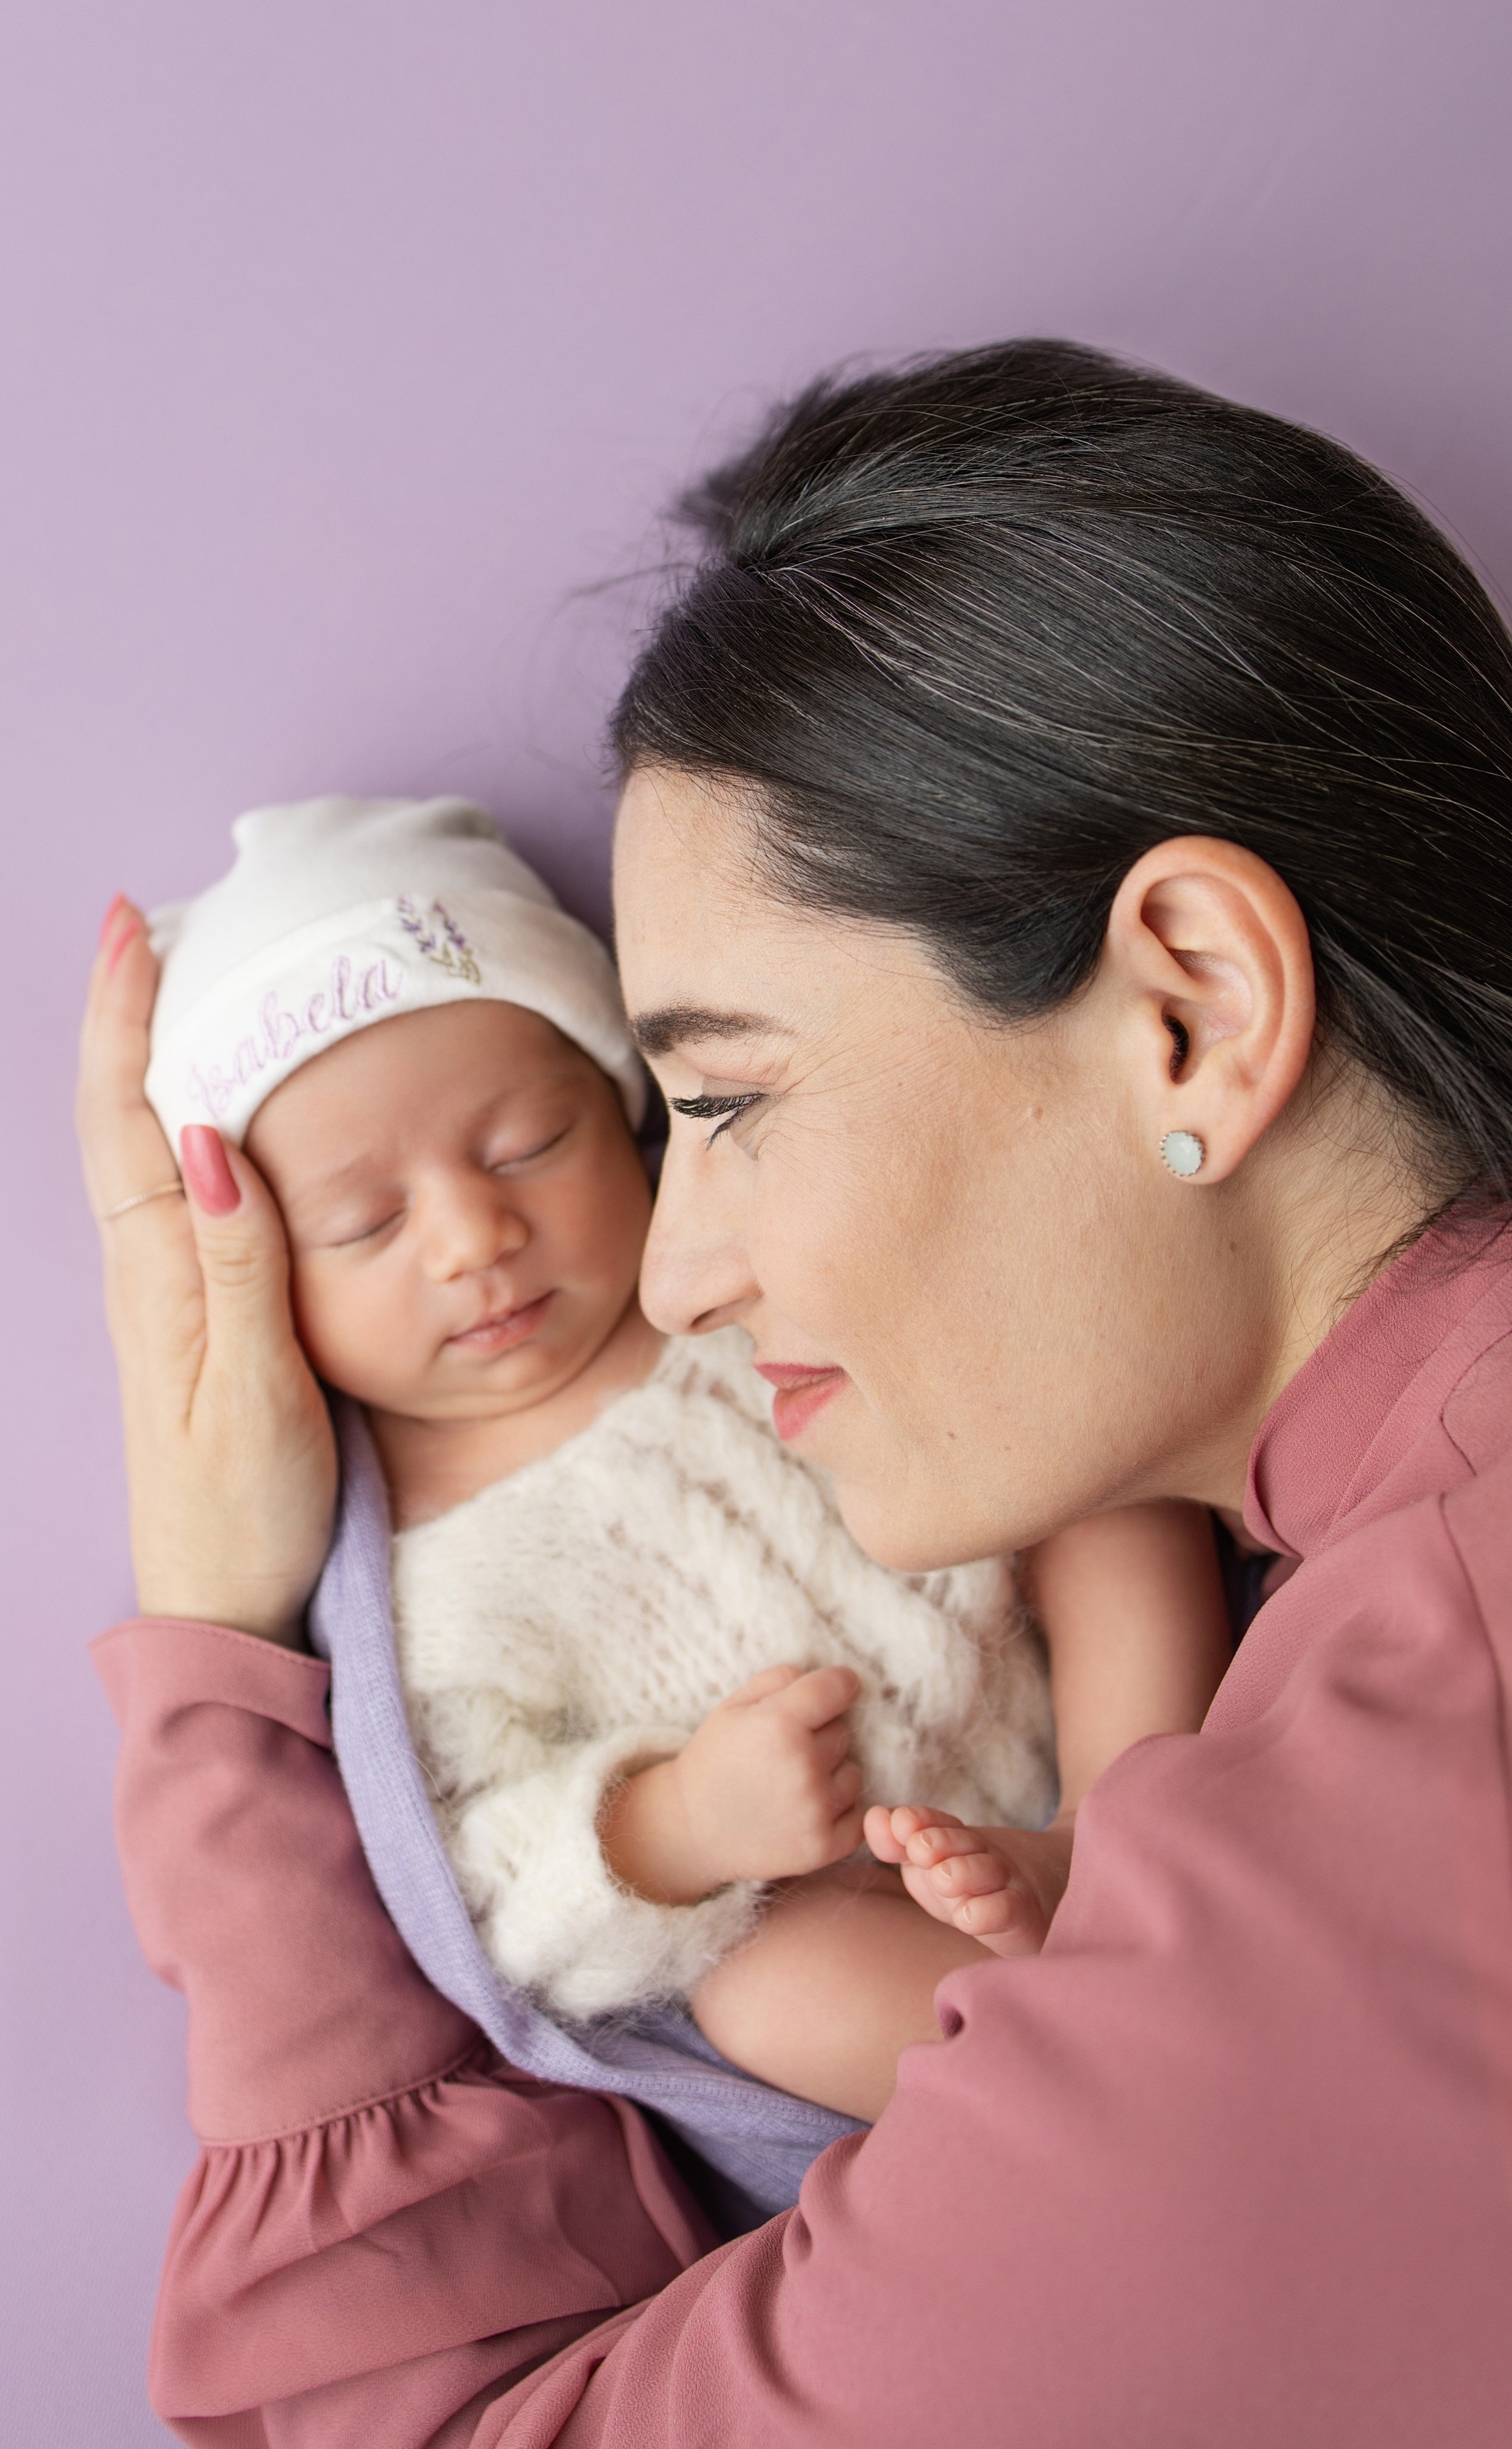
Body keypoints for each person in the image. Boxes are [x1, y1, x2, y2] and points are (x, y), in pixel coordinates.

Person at [78, 339, 1512, 2445]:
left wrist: (217, 1652)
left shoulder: (1298, 1952)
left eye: (729, 1100)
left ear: (1193, 1008)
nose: (676, 1271)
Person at [132, 793, 1224, 2145]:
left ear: (626, 1110)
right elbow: (492, 1892)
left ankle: (1122, 1831)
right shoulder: (425, 1582)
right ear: (263, 1281)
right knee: (770, 1993)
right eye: (365, 1221)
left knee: (1113, 1486)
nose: (475, 1236)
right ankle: (1135, 2100)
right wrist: (677, 1827)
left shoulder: (727, 1291)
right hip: (863, 1908)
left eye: (526, 1146)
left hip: (1057, 1717)